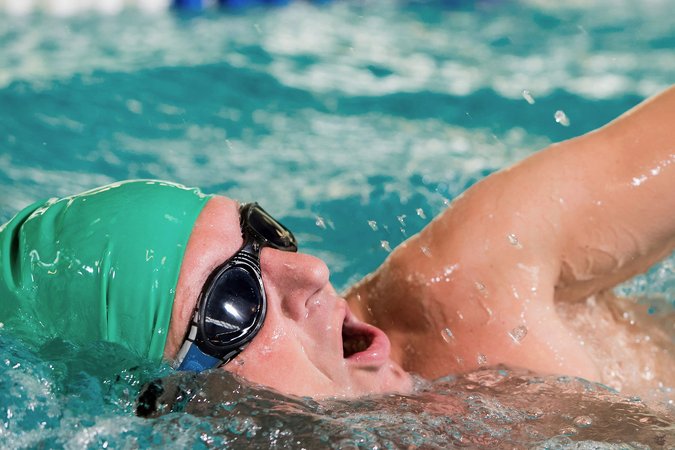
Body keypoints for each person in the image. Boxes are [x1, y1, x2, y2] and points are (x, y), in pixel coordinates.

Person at [1, 86, 673, 400]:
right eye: (236, 301)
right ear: (163, 401)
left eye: (262, 235)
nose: (312, 271)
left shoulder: (471, 293)